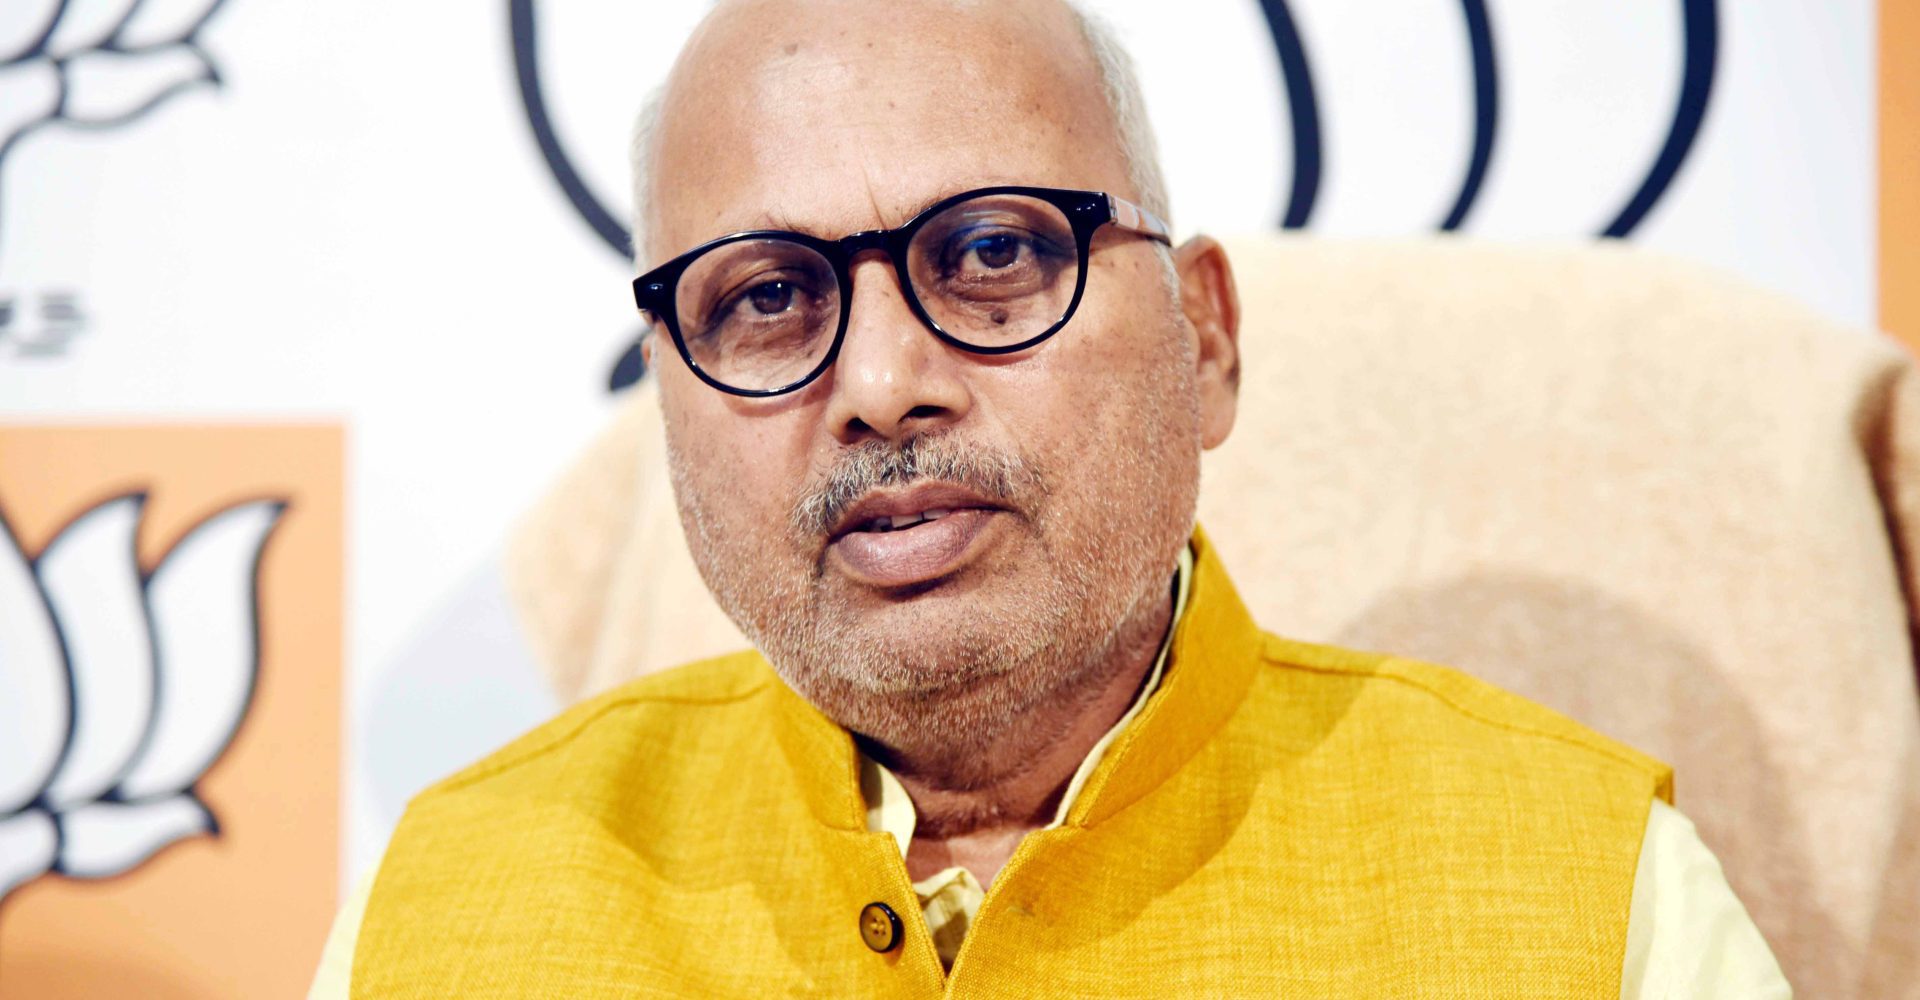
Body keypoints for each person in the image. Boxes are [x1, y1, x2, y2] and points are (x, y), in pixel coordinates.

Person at [311, 1, 1791, 995]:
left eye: (994, 255)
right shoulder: (450, 909)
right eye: (766, 296)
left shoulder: (1591, 898)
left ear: (1204, 340)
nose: (880, 383)